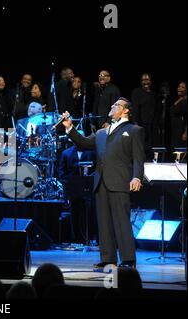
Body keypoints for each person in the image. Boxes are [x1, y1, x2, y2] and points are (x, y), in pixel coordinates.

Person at [59, 97, 145, 269]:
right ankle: (108, 259)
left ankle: (128, 259)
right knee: (103, 222)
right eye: (113, 105)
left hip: (120, 181)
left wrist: (137, 177)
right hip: (100, 181)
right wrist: (70, 128)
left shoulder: (134, 130)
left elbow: (138, 157)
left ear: (126, 110)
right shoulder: (101, 133)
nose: (112, 107)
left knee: (121, 221)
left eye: (116, 105)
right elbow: (83, 143)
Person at [131, 73, 158, 153]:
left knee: (150, 146)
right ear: (141, 82)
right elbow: (134, 108)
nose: (145, 82)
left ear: (151, 81)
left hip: (152, 124)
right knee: (141, 146)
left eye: (147, 79)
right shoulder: (136, 92)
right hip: (140, 123)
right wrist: (135, 123)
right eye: (143, 80)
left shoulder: (154, 94)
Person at [169, 81, 187, 150]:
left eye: (182, 87)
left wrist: (186, 133)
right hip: (175, 131)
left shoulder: (185, 102)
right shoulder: (179, 100)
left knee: (180, 151)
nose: (179, 88)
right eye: (179, 86)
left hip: (181, 131)